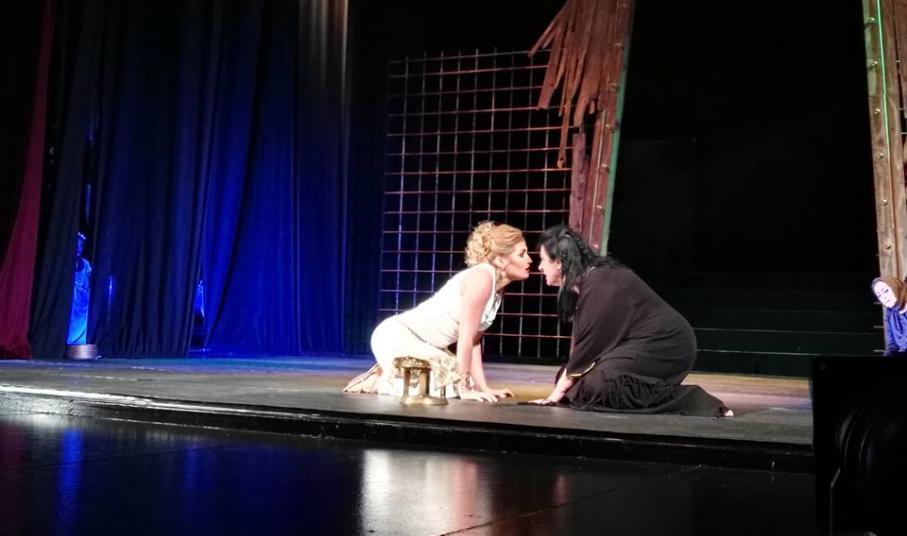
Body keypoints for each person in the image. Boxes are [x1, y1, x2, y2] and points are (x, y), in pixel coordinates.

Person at [528, 225, 731, 417]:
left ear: (559, 263)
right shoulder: (592, 280)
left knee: (597, 386)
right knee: (570, 377)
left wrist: (554, 397)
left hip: (665, 344)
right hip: (636, 343)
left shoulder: (600, 283)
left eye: (542, 260)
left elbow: (588, 349)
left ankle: (692, 400)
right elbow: (582, 358)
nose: (540, 267)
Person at [345, 222, 532, 402]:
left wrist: (482, 387)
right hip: (397, 336)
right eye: (522, 254)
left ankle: (398, 374)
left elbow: (474, 341)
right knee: (448, 387)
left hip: (428, 346)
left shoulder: (496, 290)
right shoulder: (482, 278)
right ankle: (379, 381)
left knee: (457, 381)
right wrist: (464, 389)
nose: (529, 259)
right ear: (500, 260)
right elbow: (465, 338)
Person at [870, 276, 907, 356]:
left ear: (895, 287)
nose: (884, 297)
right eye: (879, 296)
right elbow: (892, 346)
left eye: (886, 291)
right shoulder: (890, 312)